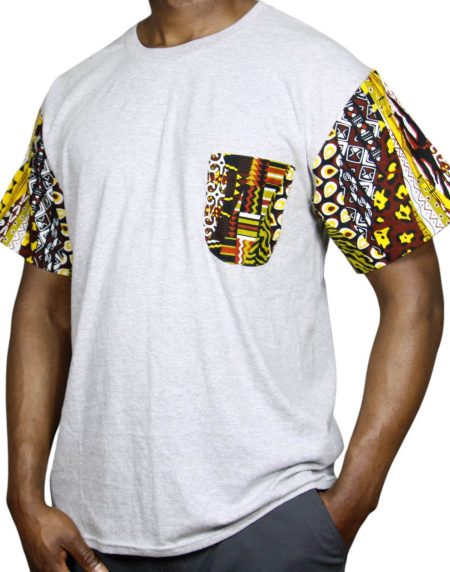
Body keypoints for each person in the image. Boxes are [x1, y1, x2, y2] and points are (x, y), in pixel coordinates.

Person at [2, 0, 449, 570]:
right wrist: (24, 495)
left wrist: (352, 501)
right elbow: (44, 309)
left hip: (268, 523)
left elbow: (415, 298)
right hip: (90, 536)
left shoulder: (326, 80)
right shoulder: (73, 96)